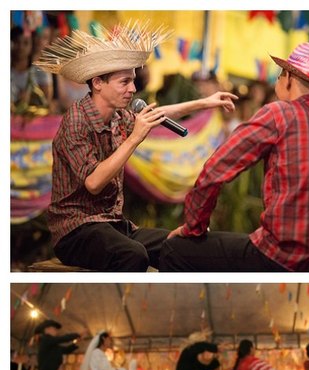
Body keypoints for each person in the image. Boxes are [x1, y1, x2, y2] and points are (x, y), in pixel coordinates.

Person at [32, 22, 237, 271]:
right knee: (133, 255)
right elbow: (94, 183)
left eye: (133, 81)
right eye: (125, 82)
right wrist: (133, 139)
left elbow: (156, 113)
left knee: (179, 246)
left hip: (112, 225)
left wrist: (205, 102)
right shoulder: (76, 121)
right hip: (75, 231)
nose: (133, 89)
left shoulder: (118, 116)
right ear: (98, 83)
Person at [160, 42, 309, 272]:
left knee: (175, 250)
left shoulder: (280, 113)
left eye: (279, 75)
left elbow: (216, 169)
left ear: (288, 77)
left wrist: (193, 226)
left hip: (283, 257)